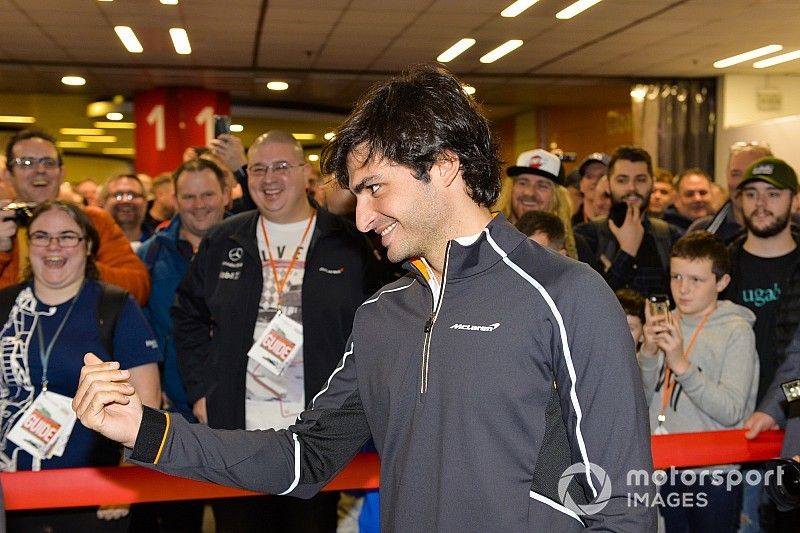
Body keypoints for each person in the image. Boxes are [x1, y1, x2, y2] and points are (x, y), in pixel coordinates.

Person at [73, 64, 656, 532]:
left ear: (445, 166)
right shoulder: (383, 315)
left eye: (375, 188)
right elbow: (302, 459)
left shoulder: (567, 296)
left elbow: (625, 510)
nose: (363, 215)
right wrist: (147, 432)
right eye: (356, 194)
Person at [170, 129, 383, 532]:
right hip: (237, 434)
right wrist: (200, 390)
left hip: (316, 435)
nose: (269, 178)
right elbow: (187, 316)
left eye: (282, 167)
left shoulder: (348, 242)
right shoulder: (223, 239)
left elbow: (380, 322)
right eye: (258, 169)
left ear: (306, 174)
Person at [0, 200, 161, 531]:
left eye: (68, 236)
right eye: (42, 236)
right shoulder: (5, 304)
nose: (54, 246)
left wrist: (126, 477)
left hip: (91, 489)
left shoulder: (115, 305)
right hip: (10, 489)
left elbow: (148, 402)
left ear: (88, 246)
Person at [638, 231, 758, 532]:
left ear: (722, 283)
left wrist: (681, 364)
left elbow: (731, 411)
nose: (683, 289)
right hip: (663, 465)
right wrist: (648, 354)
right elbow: (639, 402)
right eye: (676, 277)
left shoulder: (736, 331)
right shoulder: (666, 320)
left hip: (713, 472)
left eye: (696, 280)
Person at [2, 130, 150, 304]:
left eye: (49, 163)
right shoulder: (3, 224)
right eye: (26, 163)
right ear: (8, 174)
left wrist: (81, 264)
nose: (40, 170)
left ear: (61, 172)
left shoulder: (93, 221)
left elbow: (138, 288)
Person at [575, 146, 682, 297]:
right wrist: (627, 252)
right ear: (608, 184)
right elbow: (590, 301)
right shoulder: (586, 236)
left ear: (652, 182)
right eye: (622, 180)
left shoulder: (670, 236)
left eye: (640, 179)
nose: (632, 188)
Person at [102, 173, 150, 250]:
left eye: (132, 195)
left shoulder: (160, 246)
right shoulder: (90, 247)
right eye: (118, 195)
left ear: (145, 202)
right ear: (104, 202)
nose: (125, 200)